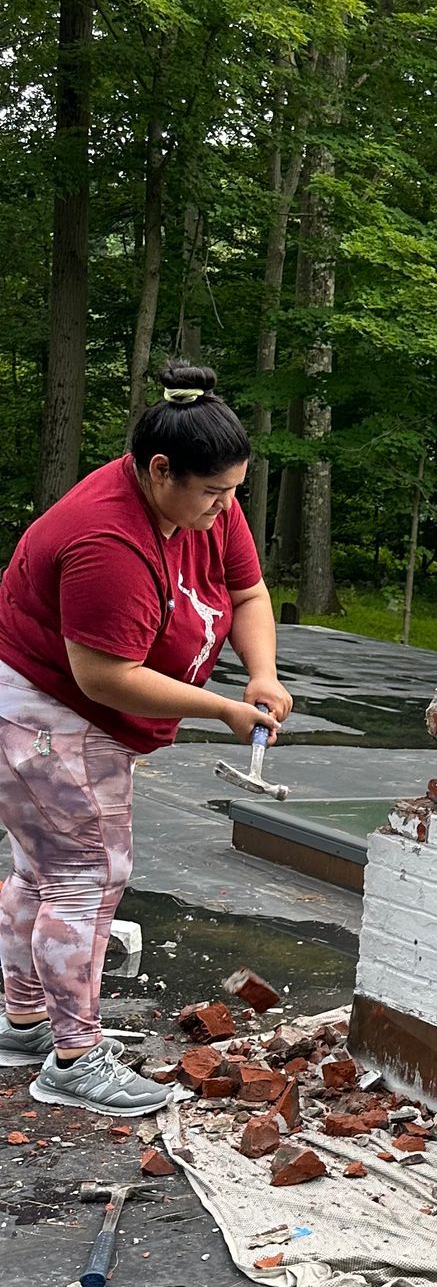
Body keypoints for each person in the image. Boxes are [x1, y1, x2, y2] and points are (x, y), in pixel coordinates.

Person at [0, 366, 290, 1114]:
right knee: (86, 874)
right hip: (42, 714)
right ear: (160, 470)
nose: (228, 508)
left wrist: (261, 673)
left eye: (235, 491)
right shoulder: (105, 540)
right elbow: (104, 676)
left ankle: (26, 1023)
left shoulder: (202, 501)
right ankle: (74, 1058)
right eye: (216, 493)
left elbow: (249, 591)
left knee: (44, 869)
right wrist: (221, 707)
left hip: (68, 711)